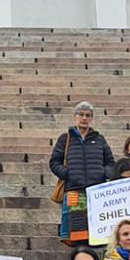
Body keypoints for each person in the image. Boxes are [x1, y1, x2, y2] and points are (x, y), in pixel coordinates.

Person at [49, 104, 113, 243]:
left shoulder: (99, 139)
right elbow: (54, 162)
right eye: (81, 114)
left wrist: (103, 173)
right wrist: (67, 174)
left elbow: (110, 163)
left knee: (97, 232)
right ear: (75, 117)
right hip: (74, 190)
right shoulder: (65, 139)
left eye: (88, 115)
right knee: (76, 233)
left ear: (92, 118)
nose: (84, 118)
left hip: (97, 192)